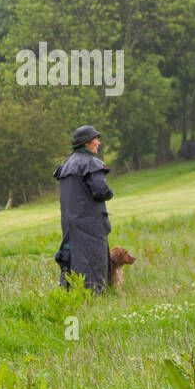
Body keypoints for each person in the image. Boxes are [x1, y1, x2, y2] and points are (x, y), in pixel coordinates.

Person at [53, 125, 114, 293]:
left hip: (70, 223)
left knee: (73, 258)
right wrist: (110, 193)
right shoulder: (91, 163)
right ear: (87, 143)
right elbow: (100, 190)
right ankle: (94, 295)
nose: (98, 142)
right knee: (93, 258)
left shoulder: (66, 164)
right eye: (95, 139)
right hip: (91, 223)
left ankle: (71, 293)